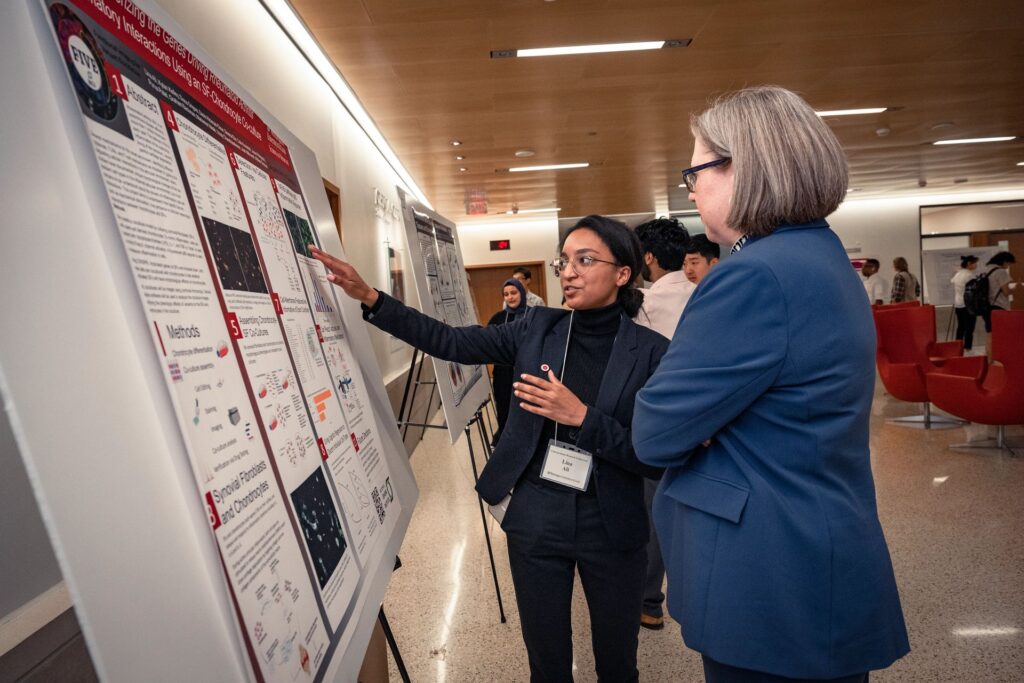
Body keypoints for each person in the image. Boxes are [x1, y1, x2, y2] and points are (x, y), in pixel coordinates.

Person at [310, 215, 668, 682]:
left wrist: (583, 418)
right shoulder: (536, 327)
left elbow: (653, 454)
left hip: (613, 523)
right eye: (564, 261)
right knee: (547, 662)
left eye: (585, 260)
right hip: (537, 518)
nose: (569, 272)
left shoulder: (653, 352)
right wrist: (373, 299)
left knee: (618, 664)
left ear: (623, 274)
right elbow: (452, 341)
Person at [633, 86, 909, 682]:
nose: (692, 187)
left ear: (744, 169)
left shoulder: (751, 277)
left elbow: (654, 431)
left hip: (766, 573)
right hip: (816, 550)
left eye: (696, 170)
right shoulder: (819, 254)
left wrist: (706, 421)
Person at [631, 217, 692, 631]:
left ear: (648, 257)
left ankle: (649, 602)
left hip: (660, 419)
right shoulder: (707, 294)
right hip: (706, 419)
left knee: (652, 514)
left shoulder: (643, 305)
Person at [487, 277, 529, 442]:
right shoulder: (497, 318)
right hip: (503, 373)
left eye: (514, 292)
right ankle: (505, 437)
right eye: (506, 294)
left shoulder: (533, 315)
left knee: (526, 407)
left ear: (522, 293)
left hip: (527, 371)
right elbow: (487, 342)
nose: (510, 297)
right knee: (504, 405)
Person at [981, 251, 1017, 333]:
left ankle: (989, 347)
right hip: (998, 306)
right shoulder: (1000, 272)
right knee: (1001, 334)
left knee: (990, 334)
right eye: (1009, 264)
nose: (1008, 267)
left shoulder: (987, 271)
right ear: (1004, 261)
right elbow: (1006, 292)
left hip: (986, 306)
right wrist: (1015, 288)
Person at [950, 255, 979, 350]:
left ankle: (957, 347)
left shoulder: (958, 274)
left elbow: (952, 281)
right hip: (968, 305)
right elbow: (975, 290)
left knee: (961, 327)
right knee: (969, 328)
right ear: (969, 264)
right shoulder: (969, 275)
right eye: (975, 263)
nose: (976, 265)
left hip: (958, 304)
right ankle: (967, 348)